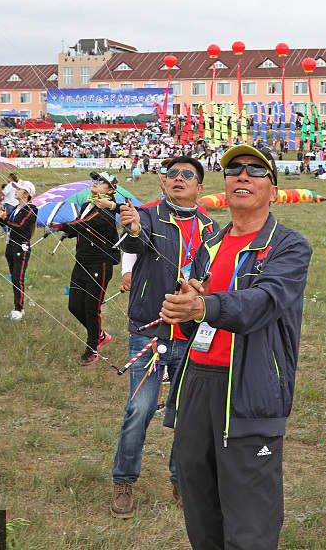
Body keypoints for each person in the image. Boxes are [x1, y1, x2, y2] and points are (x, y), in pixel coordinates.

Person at [159, 144, 311, 549]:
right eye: (235, 170)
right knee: (199, 502)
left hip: (248, 388)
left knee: (249, 521)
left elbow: (263, 302)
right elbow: (201, 303)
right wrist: (187, 298)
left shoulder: (289, 247)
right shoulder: (210, 242)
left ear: (274, 191)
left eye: (256, 171)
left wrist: (205, 304)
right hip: (196, 383)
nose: (243, 176)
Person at [110, 156, 218, 518]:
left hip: (191, 335)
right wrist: (134, 229)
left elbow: (213, 276)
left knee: (188, 414)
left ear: (199, 188)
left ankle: (181, 480)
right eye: (172, 174)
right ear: (162, 182)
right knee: (139, 409)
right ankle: (124, 480)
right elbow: (132, 245)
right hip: (149, 333)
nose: (179, 178)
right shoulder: (146, 215)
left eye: (188, 175)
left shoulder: (211, 229)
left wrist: (200, 286)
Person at [49, 171, 121, 365]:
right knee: (74, 305)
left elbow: (85, 224)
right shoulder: (86, 204)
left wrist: (60, 226)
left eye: (101, 181)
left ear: (110, 189)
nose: (95, 183)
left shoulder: (108, 210)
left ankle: (92, 348)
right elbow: (83, 228)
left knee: (91, 308)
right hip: (81, 261)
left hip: (100, 264)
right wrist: (68, 232)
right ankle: (99, 335)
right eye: (95, 180)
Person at [0, 180, 37, 321]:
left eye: (19, 189)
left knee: (18, 278)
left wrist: (5, 220)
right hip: (11, 246)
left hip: (21, 247)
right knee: (14, 278)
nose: (16, 191)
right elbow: (6, 224)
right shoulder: (15, 208)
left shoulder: (31, 209)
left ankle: (19, 308)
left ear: (26, 194)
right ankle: (18, 308)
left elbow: (19, 226)